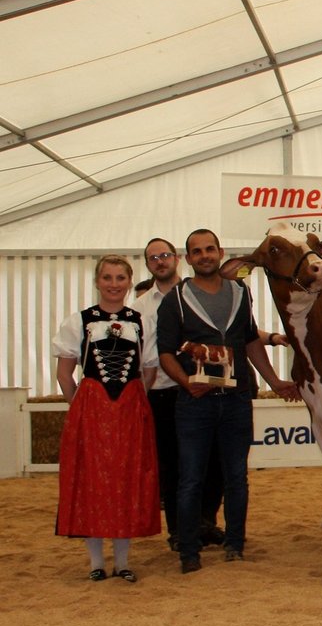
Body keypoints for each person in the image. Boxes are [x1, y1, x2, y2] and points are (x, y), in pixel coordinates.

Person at [157, 229, 297, 574]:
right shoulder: (174, 300)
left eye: (209, 249)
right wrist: (187, 383)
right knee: (190, 478)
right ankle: (189, 551)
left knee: (237, 477)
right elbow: (164, 353)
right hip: (195, 404)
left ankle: (235, 543)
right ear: (188, 259)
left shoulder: (240, 292)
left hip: (235, 400)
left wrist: (274, 381)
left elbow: (249, 342)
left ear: (220, 253)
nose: (204, 255)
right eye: (196, 251)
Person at [53, 255, 161, 582]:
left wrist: (133, 399)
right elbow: (64, 372)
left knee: (126, 478)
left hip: (129, 407)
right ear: (98, 281)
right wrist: (82, 405)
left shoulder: (142, 321)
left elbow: (150, 369)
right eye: (108, 278)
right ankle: (96, 563)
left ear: (129, 282)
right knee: (92, 480)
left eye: (120, 278)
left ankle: (123, 561)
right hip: (92, 406)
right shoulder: (79, 321)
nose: (114, 284)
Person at [133, 237, 225, 552]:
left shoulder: (197, 294)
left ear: (177, 259)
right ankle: (178, 529)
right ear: (147, 265)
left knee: (214, 462)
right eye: (153, 258)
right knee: (173, 466)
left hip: (204, 386)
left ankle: (206, 522)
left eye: (165, 255)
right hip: (163, 392)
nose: (160, 261)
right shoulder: (140, 308)